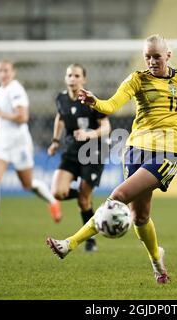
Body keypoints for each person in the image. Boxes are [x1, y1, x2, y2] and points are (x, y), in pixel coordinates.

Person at [45, 35, 177, 284]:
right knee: (140, 216)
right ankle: (158, 263)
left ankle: (69, 243)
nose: (151, 61)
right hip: (136, 151)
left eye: (156, 56)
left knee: (117, 197)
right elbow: (112, 105)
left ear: (168, 55)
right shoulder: (137, 79)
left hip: (167, 153)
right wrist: (96, 103)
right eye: (147, 56)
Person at [0, 59, 59, 235]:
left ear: (13, 73)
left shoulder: (16, 90)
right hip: (0, 141)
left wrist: (0, 114)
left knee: (27, 184)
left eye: (6, 71)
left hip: (19, 142)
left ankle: (52, 202)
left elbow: (22, 117)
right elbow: (3, 119)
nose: (3, 74)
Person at [47, 63, 111, 252]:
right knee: (58, 192)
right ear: (65, 78)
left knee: (83, 200)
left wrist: (89, 134)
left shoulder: (91, 101)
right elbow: (60, 118)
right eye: (69, 75)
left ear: (84, 79)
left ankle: (90, 241)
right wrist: (55, 141)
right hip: (71, 151)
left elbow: (107, 127)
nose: (72, 79)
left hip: (93, 152)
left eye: (76, 76)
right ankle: (88, 201)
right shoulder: (61, 99)